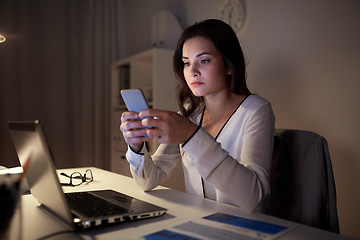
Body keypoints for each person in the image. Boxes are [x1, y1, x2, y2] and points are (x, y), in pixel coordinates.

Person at [120, 19, 275, 213]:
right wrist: (136, 147)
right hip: (199, 223)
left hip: (244, 229)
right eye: (186, 63)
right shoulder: (189, 114)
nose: (192, 71)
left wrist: (191, 135)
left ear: (228, 64)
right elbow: (149, 180)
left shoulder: (256, 110)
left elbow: (255, 199)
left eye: (204, 61)